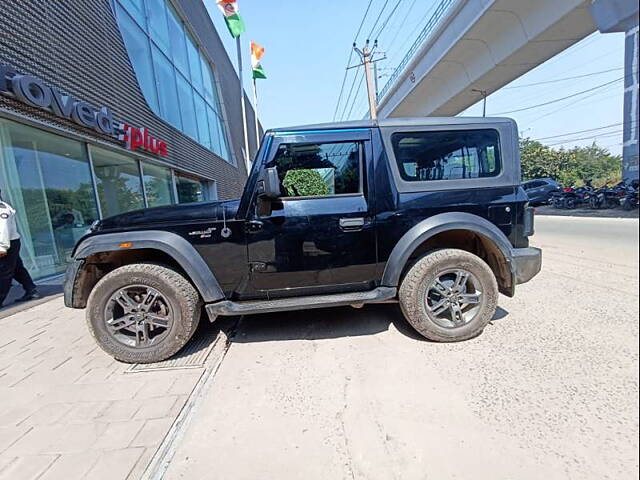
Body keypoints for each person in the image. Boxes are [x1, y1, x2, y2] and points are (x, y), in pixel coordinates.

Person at [0, 190, 39, 307]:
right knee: (17, 269)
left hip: (7, 243)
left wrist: (2, 247)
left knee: (4, 272)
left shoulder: (2, 209)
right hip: (9, 243)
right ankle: (31, 290)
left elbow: (3, 230)